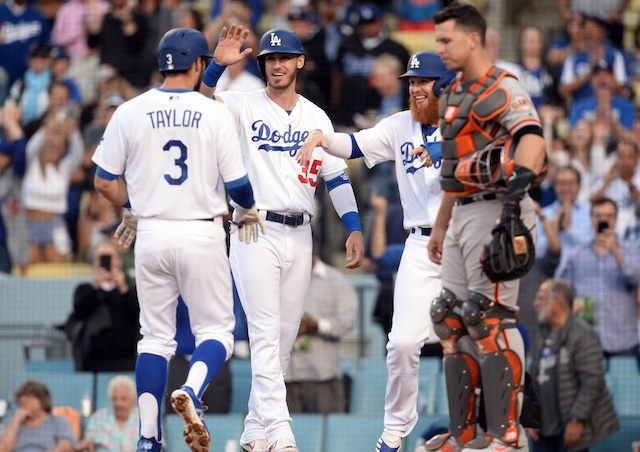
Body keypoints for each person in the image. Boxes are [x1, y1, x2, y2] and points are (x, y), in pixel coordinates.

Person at [92, 27, 264, 452]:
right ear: (200, 64)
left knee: (154, 338)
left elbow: (102, 182)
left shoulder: (129, 110)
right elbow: (239, 184)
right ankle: (192, 389)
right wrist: (246, 209)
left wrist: (131, 207)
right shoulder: (213, 112)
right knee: (218, 333)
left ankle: (149, 436)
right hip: (200, 230)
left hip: (150, 233)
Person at [200, 25, 365, 452]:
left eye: (283, 57)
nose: (276, 64)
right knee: (265, 332)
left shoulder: (315, 116)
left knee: (283, 342)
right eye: (269, 59)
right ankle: (282, 433)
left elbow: (337, 177)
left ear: (299, 62)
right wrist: (218, 65)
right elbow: (198, 104)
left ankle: (255, 433)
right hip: (254, 227)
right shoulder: (241, 104)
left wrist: (354, 227)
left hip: (301, 234)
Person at [298, 50, 456, 452]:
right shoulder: (400, 124)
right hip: (420, 244)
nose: (416, 89)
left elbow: (490, 155)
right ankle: (395, 429)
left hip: (462, 241)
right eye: (412, 83)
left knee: (467, 340)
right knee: (402, 343)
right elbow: (352, 144)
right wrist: (322, 138)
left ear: (444, 86)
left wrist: (445, 151)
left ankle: (472, 423)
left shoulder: (464, 122)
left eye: (423, 82)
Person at [425, 2, 547, 451]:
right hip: (460, 211)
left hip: (498, 205)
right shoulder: (454, 88)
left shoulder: (503, 84)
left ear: (473, 38)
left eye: (446, 40)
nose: (440, 48)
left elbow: (532, 137)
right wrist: (441, 225)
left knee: (487, 317)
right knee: (450, 319)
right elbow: (453, 170)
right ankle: (466, 433)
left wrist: (515, 200)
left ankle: (507, 435)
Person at [528, 278, 619, 452]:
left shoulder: (582, 334)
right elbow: (534, 377)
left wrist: (577, 420)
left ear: (555, 303)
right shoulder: (542, 333)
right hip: (543, 430)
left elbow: (592, 381)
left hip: (568, 429)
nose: (534, 304)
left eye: (540, 298)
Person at [284, 235, 357, 414]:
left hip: (324, 375)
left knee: (330, 437)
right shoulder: (278, 279)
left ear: (314, 243)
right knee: (284, 439)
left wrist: (316, 325)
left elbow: (348, 320)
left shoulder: (335, 279)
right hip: (286, 376)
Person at [559, 196, 640, 359]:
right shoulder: (577, 254)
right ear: (591, 219)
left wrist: (616, 252)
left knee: (625, 385)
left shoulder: (631, 249)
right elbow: (565, 290)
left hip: (623, 340)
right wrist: (572, 302)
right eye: (598, 216)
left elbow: (636, 276)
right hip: (587, 339)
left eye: (608, 216)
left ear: (616, 219)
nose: (603, 220)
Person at [62, 240, 139, 372]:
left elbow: (136, 314)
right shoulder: (85, 290)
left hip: (125, 358)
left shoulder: (129, 291)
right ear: (94, 264)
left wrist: (123, 288)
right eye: (101, 258)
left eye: (110, 257)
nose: (106, 263)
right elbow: (80, 311)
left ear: (119, 262)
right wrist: (95, 287)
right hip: (94, 360)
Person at [0, 379, 76, 451]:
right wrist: (16, 420)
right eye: (22, 396)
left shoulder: (59, 422)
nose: (24, 400)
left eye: (30, 396)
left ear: (42, 400)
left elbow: (67, 445)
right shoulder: (9, 423)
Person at [77, 375, 139, 452]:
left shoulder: (142, 420)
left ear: (133, 400)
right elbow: (87, 445)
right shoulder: (98, 418)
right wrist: (87, 446)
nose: (118, 403)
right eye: (114, 398)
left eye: (123, 399)